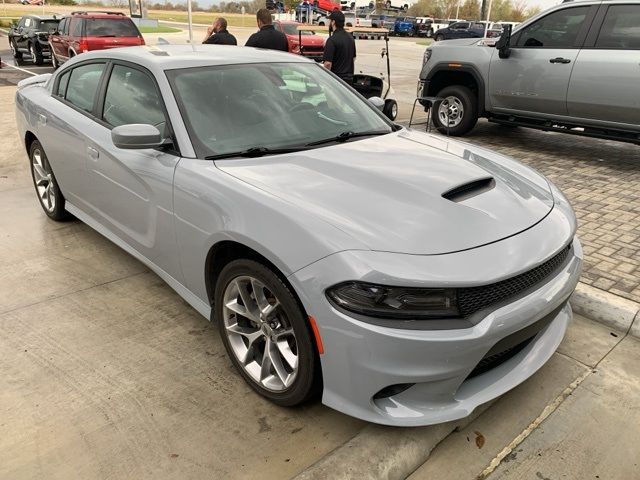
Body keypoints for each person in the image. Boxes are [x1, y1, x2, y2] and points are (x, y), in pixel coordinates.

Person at [323, 10, 356, 84]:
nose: (329, 23)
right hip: (349, 80)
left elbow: (328, 63)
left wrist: (325, 78)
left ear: (333, 22)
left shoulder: (331, 40)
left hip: (336, 80)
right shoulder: (350, 38)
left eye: (330, 21)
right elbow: (353, 58)